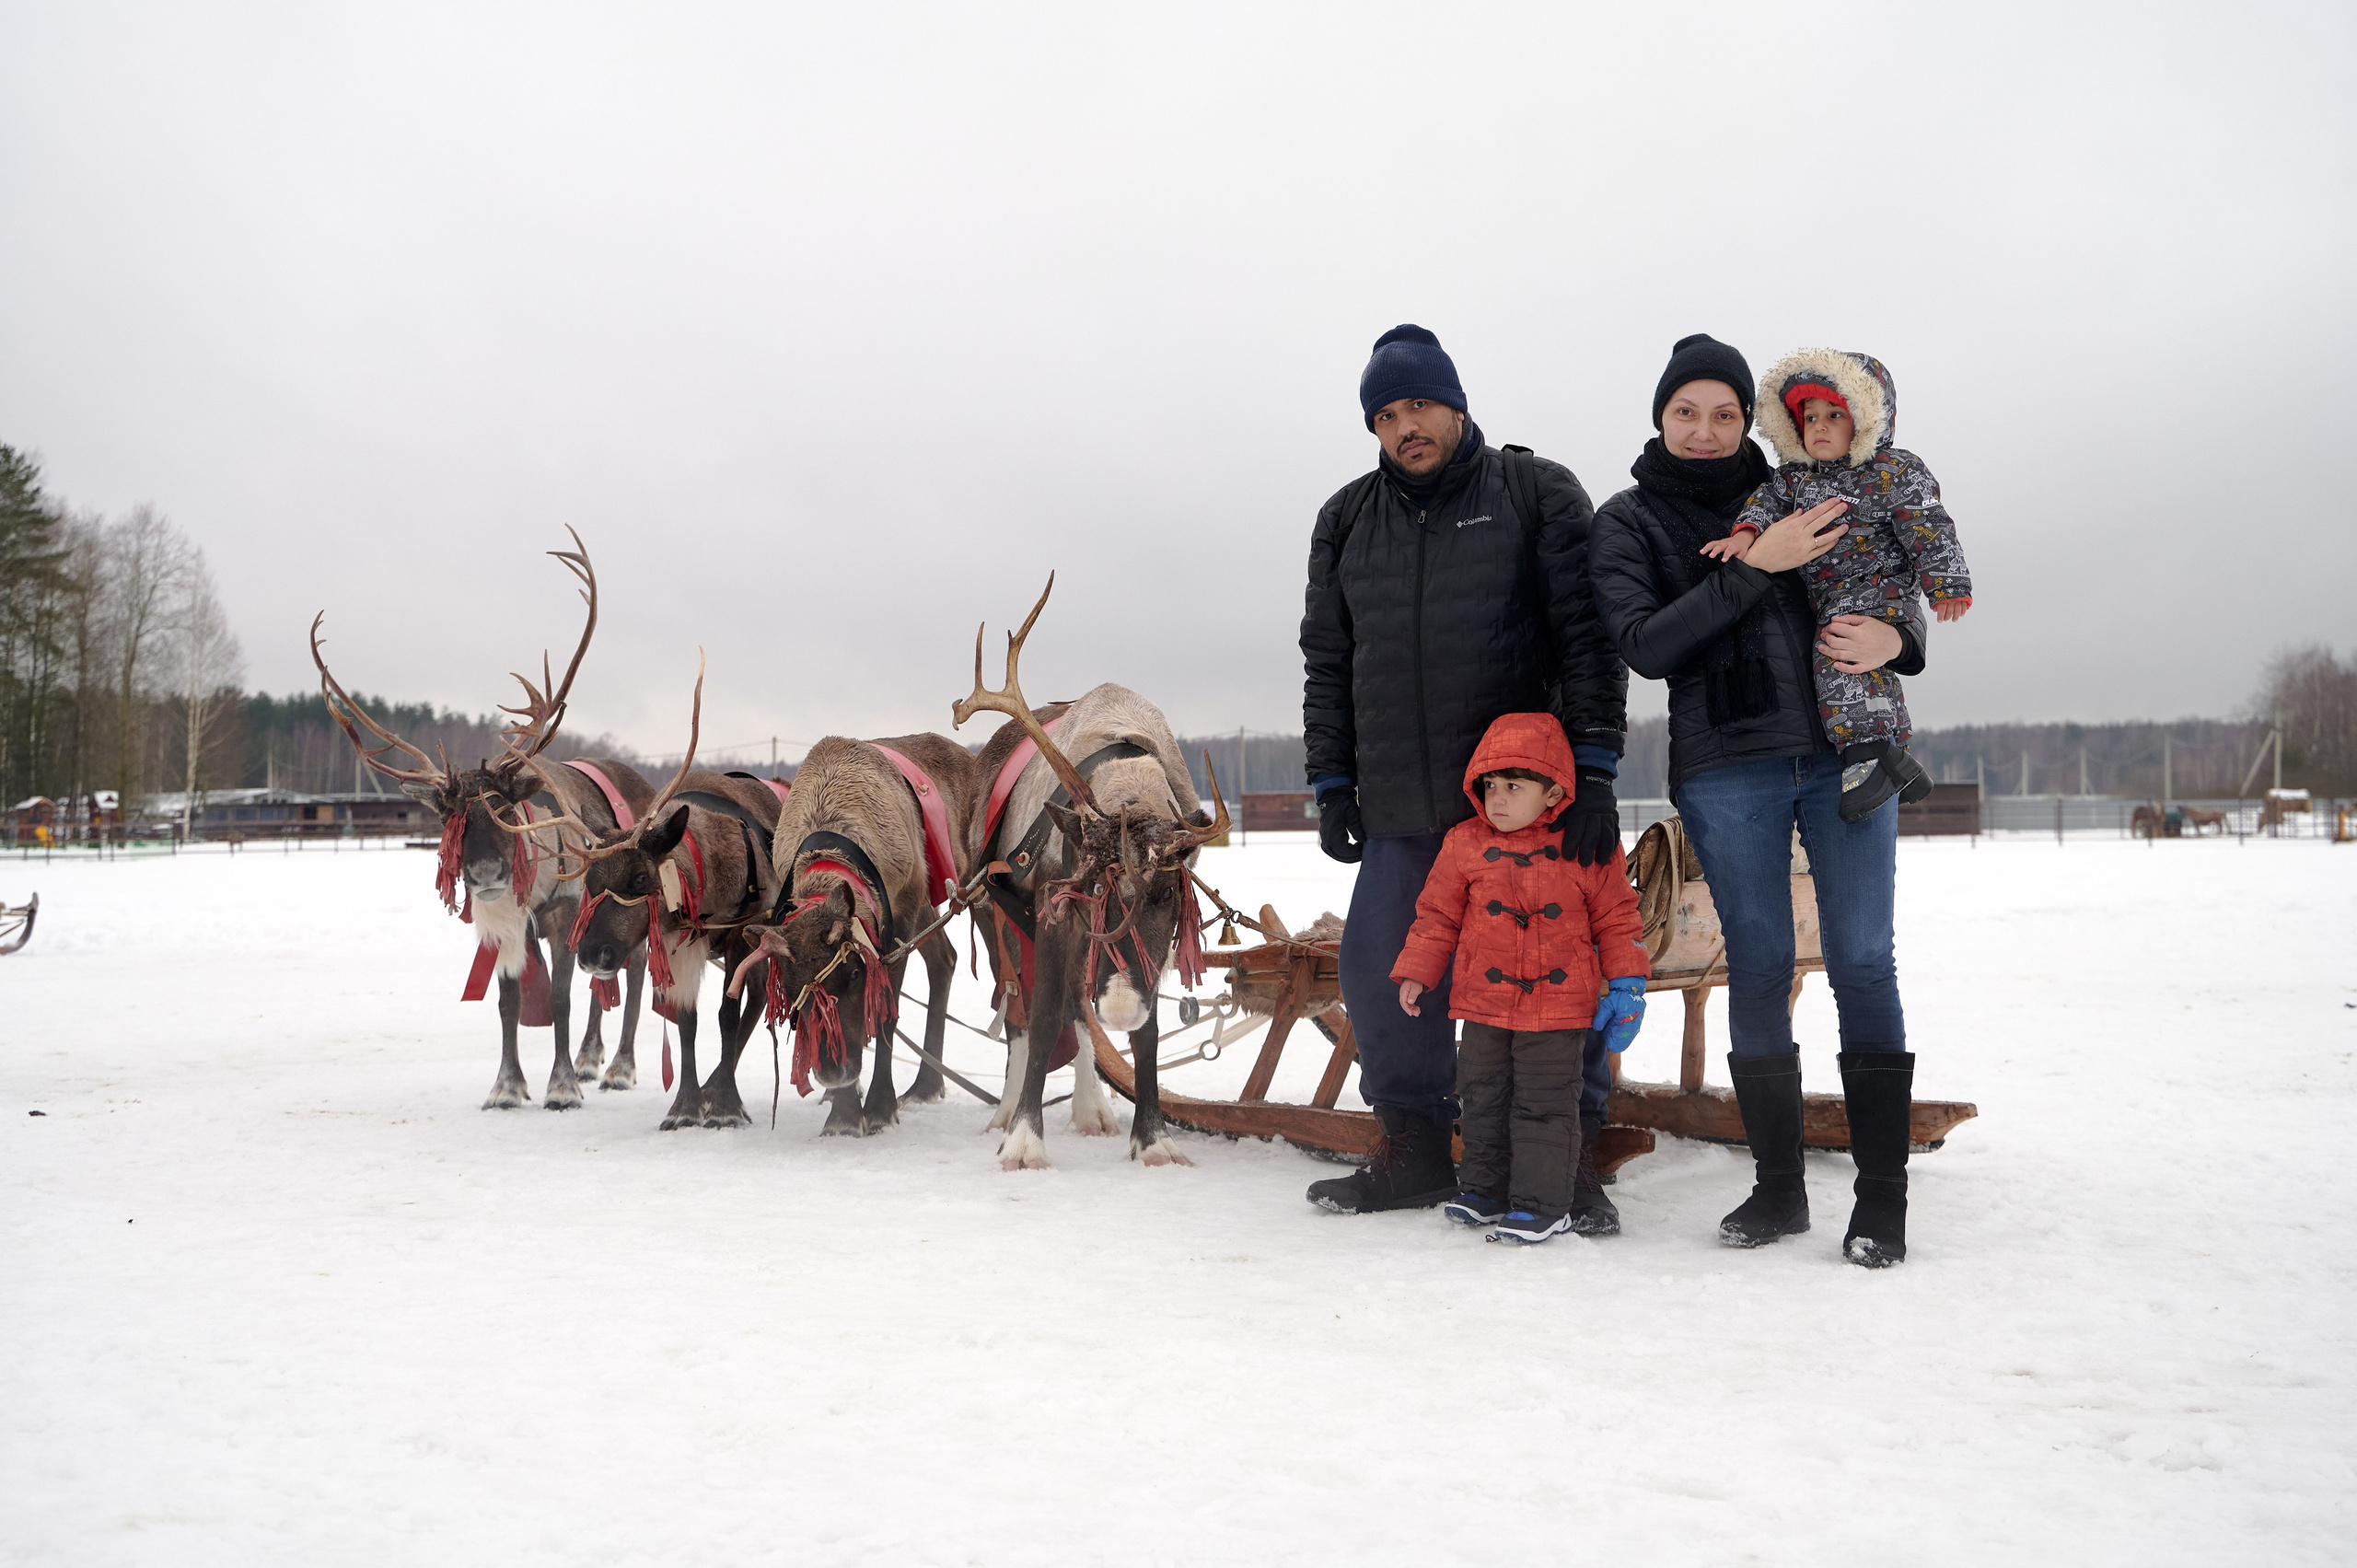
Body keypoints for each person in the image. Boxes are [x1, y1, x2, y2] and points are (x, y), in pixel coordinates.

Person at [1587, 333, 1927, 1268]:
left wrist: (1899, 641)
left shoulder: (1810, 482)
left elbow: (1890, 571)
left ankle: (1880, 1199)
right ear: (1659, 418)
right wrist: (1754, 564)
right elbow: (1646, 644)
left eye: (1725, 413)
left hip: (1842, 753)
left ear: (1749, 419)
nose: (1704, 430)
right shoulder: (1628, 521)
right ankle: (1778, 1188)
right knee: (1762, 962)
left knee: (1862, 956)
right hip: (1725, 764)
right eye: (1684, 412)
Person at [1300, 324, 1629, 1220]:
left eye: (1421, 405)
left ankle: (1565, 1151)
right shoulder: (1343, 521)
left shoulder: (1534, 491)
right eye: (1386, 414)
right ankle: (1413, 1142)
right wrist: (1331, 781)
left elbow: (1589, 637)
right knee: (1378, 970)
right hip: (1404, 803)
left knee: (1552, 972)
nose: (1407, 426)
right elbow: (1328, 662)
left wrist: (1593, 768)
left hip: (1524, 807)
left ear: (1456, 402)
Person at [1389, 713, 1649, 1243]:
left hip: (1556, 1010)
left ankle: (1541, 1205)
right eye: (1488, 786)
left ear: (1555, 790)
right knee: (1482, 1096)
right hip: (1482, 1003)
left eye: (1513, 786)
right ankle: (1484, 1191)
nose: (1497, 799)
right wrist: (1418, 970)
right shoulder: (1464, 842)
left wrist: (1628, 984)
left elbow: (1618, 918)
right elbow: (1437, 914)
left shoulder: (1585, 843)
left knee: (1545, 1106)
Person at [1698, 350, 1974, 821]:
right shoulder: (1794, 479)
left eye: (1834, 415)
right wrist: (1745, 535)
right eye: (1809, 417)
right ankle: (1892, 756)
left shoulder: (1894, 471)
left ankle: (1866, 758)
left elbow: (1928, 525)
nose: (1819, 426)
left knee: (1838, 661)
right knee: (1862, 670)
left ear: (1865, 421)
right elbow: (1764, 503)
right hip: (1832, 596)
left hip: (1884, 592)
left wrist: (1947, 583)